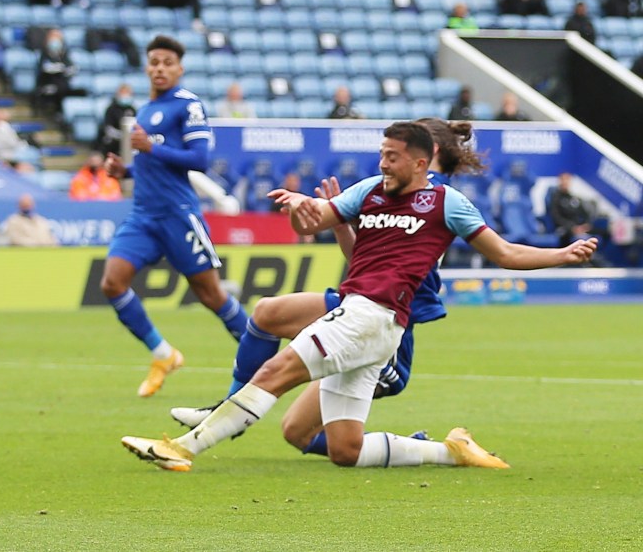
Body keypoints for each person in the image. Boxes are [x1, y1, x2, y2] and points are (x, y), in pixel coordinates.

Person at [122, 121, 598, 472]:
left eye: (392, 156)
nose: (382, 163)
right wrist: (299, 209)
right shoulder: (369, 190)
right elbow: (317, 221)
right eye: (381, 153)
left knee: (276, 370)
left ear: (419, 161)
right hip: (366, 317)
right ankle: (449, 451)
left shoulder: (446, 203)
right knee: (344, 450)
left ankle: (183, 447)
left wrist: (563, 255)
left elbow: (506, 253)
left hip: (376, 318)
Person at [170, 118, 491, 464]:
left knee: (290, 390)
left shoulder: (435, 197)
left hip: (389, 329)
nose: (387, 161)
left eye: (399, 151)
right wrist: (338, 221)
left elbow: (493, 249)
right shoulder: (392, 188)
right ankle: (440, 451)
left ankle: (224, 418)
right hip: (359, 305)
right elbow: (362, 262)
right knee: (295, 417)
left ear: (429, 154)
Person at [101, 35, 248, 398]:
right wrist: (128, 172)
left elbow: (199, 160)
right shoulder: (146, 109)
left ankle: (260, 352)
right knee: (112, 282)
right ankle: (163, 354)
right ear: (146, 67)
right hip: (143, 216)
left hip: (177, 215)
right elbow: (154, 162)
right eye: (154, 62)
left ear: (180, 68)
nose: (160, 68)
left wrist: (153, 146)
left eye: (167, 62)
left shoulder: (187, 105)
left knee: (211, 295)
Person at [34, 28, 84, 116]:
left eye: (58, 38)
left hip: (62, 83)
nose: (55, 41)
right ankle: (58, 113)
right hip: (47, 82)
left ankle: (68, 114)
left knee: (81, 92)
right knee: (60, 89)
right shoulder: (44, 52)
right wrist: (59, 68)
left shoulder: (64, 53)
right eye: (54, 38)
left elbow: (70, 67)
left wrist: (66, 69)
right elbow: (44, 68)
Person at [547, 172, 598, 247]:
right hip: (565, 228)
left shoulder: (573, 198)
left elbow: (584, 213)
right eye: (563, 180)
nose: (565, 182)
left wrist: (585, 225)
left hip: (578, 227)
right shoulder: (555, 198)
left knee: (603, 231)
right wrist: (572, 228)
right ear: (559, 181)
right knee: (568, 235)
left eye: (567, 180)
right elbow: (556, 217)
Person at [96, 84, 138, 156]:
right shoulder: (111, 109)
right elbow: (108, 129)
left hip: (128, 145)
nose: (126, 96)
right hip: (113, 145)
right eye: (124, 93)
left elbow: (136, 126)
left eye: (128, 93)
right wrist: (123, 136)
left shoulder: (132, 109)